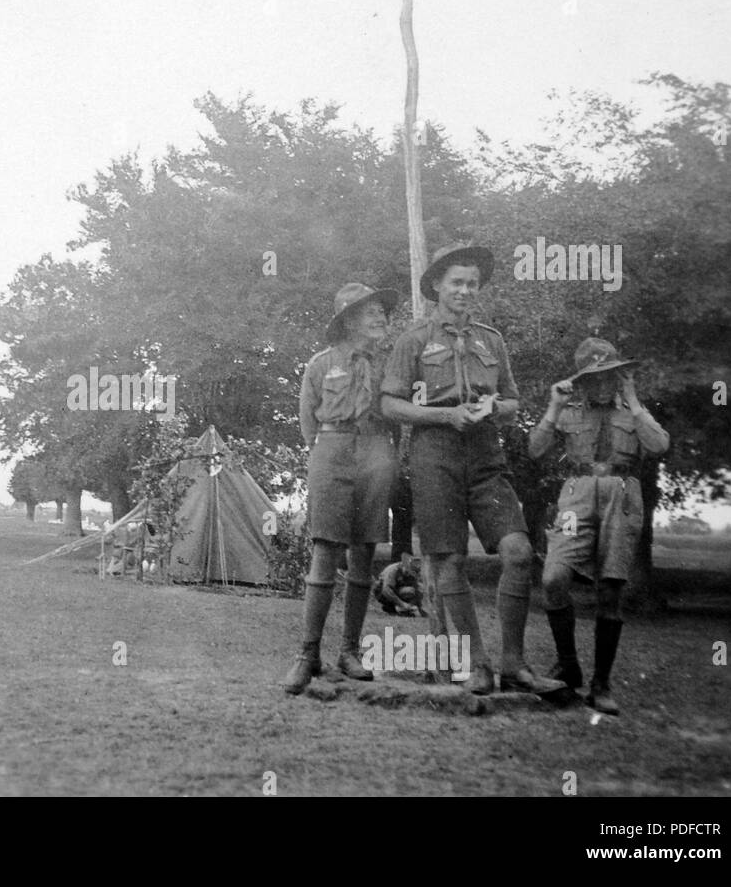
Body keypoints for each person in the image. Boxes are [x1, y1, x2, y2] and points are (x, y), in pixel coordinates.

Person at [380, 243, 565, 696]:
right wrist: (446, 415)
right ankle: (476, 665)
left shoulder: (491, 340)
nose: (465, 290)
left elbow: (514, 400)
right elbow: (389, 403)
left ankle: (514, 665)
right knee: (449, 560)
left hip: (486, 454)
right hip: (434, 455)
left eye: (472, 284)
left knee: (519, 552)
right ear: (437, 287)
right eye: (457, 283)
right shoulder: (415, 340)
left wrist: (496, 408)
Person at [528, 338, 669, 714]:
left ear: (619, 376)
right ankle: (568, 663)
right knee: (553, 578)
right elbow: (535, 449)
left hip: (621, 496)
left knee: (610, 590)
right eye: (594, 377)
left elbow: (658, 446)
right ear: (583, 381)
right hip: (576, 494)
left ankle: (601, 684)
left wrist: (634, 402)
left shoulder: (634, 411)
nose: (602, 384)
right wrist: (553, 408)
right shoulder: (569, 409)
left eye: (609, 376)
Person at [282, 282, 400, 695]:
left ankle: (350, 652)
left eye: (382, 312)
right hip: (331, 450)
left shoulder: (390, 363)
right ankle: (307, 654)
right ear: (349, 319)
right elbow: (307, 423)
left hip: (376, 450)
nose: (380, 317)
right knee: (326, 548)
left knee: (365, 550)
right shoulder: (321, 363)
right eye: (370, 312)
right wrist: (330, 451)